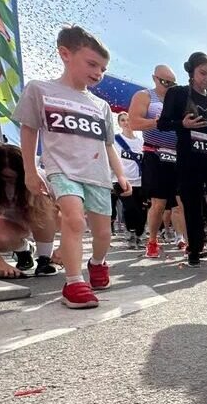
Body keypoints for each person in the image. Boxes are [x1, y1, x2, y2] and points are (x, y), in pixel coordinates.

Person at [13, 26, 131, 308]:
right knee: (74, 220)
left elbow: (108, 145)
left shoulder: (101, 106)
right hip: (61, 170)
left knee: (103, 234)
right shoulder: (40, 90)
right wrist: (30, 170)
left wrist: (121, 173)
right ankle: (74, 282)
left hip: (98, 175)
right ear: (65, 54)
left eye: (102, 68)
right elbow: (29, 130)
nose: (98, 73)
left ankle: (97, 263)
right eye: (92, 64)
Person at [157, 51, 207, 269]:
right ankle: (195, 248)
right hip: (189, 155)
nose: (206, 79)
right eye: (202, 73)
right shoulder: (177, 94)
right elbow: (163, 124)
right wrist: (183, 124)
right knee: (192, 203)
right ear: (191, 72)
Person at [128, 64, 187, 258]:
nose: (169, 86)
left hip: (177, 155)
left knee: (181, 203)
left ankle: (183, 239)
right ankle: (152, 240)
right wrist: (159, 121)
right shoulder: (145, 96)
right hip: (155, 152)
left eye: (173, 83)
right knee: (159, 203)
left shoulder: (178, 99)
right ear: (155, 78)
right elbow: (134, 122)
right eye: (165, 82)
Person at [0, 144, 57, 278]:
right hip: (12, 222)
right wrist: (0, 263)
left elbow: (71, 212)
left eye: (17, 177)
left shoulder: (41, 176)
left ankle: (45, 259)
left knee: (43, 204)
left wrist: (64, 249)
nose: (12, 181)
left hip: (47, 220)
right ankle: (24, 250)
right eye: (6, 178)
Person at [112, 111, 145, 249]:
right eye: (123, 120)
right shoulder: (115, 140)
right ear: (119, 123)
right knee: (129, 208)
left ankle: (139, 234)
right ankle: (130, 233)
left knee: (141, 210)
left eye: (128, 119)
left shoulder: (141, 142)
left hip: (140, 181)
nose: (126, 122)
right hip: (122, 180)